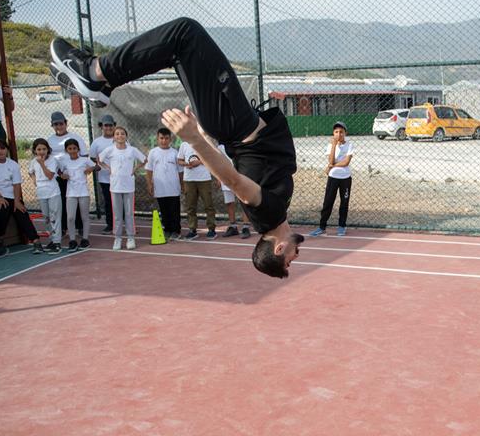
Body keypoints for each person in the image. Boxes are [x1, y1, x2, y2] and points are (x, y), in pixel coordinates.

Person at [49, 17, 303, 277]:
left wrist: (193, 138)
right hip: (232, 124)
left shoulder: (269, 215)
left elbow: (233, 179)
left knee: (185, 33)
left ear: (278, 249)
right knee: (179, 48)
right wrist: (205, 137)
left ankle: (95, 72)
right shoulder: (272, 214)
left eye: (290, 261)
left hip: (235, 122)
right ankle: (102, 82)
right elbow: (237, 168)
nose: (296, 256)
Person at [0, 138, 41, 257]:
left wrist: (17, 201)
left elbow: (16, 184)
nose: (0, 151)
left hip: (11, 195)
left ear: (7, 149)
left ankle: (35, 240)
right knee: (3, 207)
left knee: (21, 210)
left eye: (2, 148)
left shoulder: (13, 164)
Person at [98, 125, 146, 251]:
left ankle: (131, 237)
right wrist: (108, 168)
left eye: (122, 134)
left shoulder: (132, 150)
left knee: (129, 213)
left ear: (126, 136)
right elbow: (99, 159)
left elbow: (144, 159)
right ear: (114, 137)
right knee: (117, 215)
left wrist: (135, 168)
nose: (120, 136)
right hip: (115, 187)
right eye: (117, 134)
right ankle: (117, 238)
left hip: (129, 186)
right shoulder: (110, 150)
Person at [47, 111, 89, 237]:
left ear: (66, 123)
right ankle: (64, 227)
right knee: (62, 202)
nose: (59, 127)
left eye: (61, 123)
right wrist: (59, 173)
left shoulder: (76, 137)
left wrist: (83, 170)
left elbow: (85, 156)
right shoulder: (50, 140)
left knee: (77, 202)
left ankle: (80, 226)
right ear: (52, 125)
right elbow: (48, 157)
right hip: (58, 176)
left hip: (74, 176)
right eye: (55, 124)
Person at [309, 121, 354, 237]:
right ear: (333, 133)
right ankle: (322, 227)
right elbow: (331, 161)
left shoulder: (349, 145)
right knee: (328, 202)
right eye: (336, 132)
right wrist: (334, 146)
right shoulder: (330, 146)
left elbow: (346, 162)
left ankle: (342, 226)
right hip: (333, 177)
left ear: (345, 133)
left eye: (341, 132)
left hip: (345, 178)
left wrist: (332, 166)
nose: (339, 134)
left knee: (344, 203)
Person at [145, 127, 183, 240]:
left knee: (174, 210)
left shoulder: (175, 153)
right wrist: (149, 184)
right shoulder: (152, 153)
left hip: (173, 188)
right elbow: (149, 170)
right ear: (157, 139)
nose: (164, 141)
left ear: (170, 139)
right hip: (160, 187)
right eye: (161, 138)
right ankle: (167, 230)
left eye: (166, 138)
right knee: (164, 210)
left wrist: (182, 184)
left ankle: (176, 230)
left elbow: (180, 171)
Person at [27, 138, 63, 253]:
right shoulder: (33, 161)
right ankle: (52, 239)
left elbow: (50, 176)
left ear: (48, 150)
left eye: (44, 149)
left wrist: (42, 164)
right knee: (46, 217)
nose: (41, 151)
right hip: (41, 192)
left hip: (53, 191)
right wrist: (35, 181)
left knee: (55, 216)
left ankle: (57, 242)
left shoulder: (52, 160)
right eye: (39, 149)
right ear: (35, 150)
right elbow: (30, 172)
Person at [59, 138, 95, 251]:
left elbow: (96, 166)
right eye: (70, 148)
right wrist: (62, 175)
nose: (73, 150)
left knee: (84, 216)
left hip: (83, 192)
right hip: (71, 192)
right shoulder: (64, 161)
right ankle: (72, 240)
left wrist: (90, 168)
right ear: (66, 150)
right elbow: (59, 171)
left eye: (74, 148)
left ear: (78, 149)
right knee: (70, 217)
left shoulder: (84, 160)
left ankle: (85, 239)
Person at [177, 138, 216, 240]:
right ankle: (192, 230)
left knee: (208, 205)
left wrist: (198, 162)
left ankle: (211, 229)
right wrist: (187, 164)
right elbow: (179, 160)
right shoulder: (184, 144)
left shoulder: (205, 143)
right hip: (189, 180)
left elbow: (211, 158)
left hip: (204, 179)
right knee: (190, 206)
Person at [89, 113, 117, 233]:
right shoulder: (97, 142)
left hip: (119, 177)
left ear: (114, 126)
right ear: (102, 127)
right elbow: (92, 157)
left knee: (121, 202)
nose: (108, 128)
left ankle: (124, 224)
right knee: (108, 202)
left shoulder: (119, 138)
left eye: (111, 125)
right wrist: (98, 165)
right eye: (106, 125)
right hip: (105, 178)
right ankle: (110, 224)